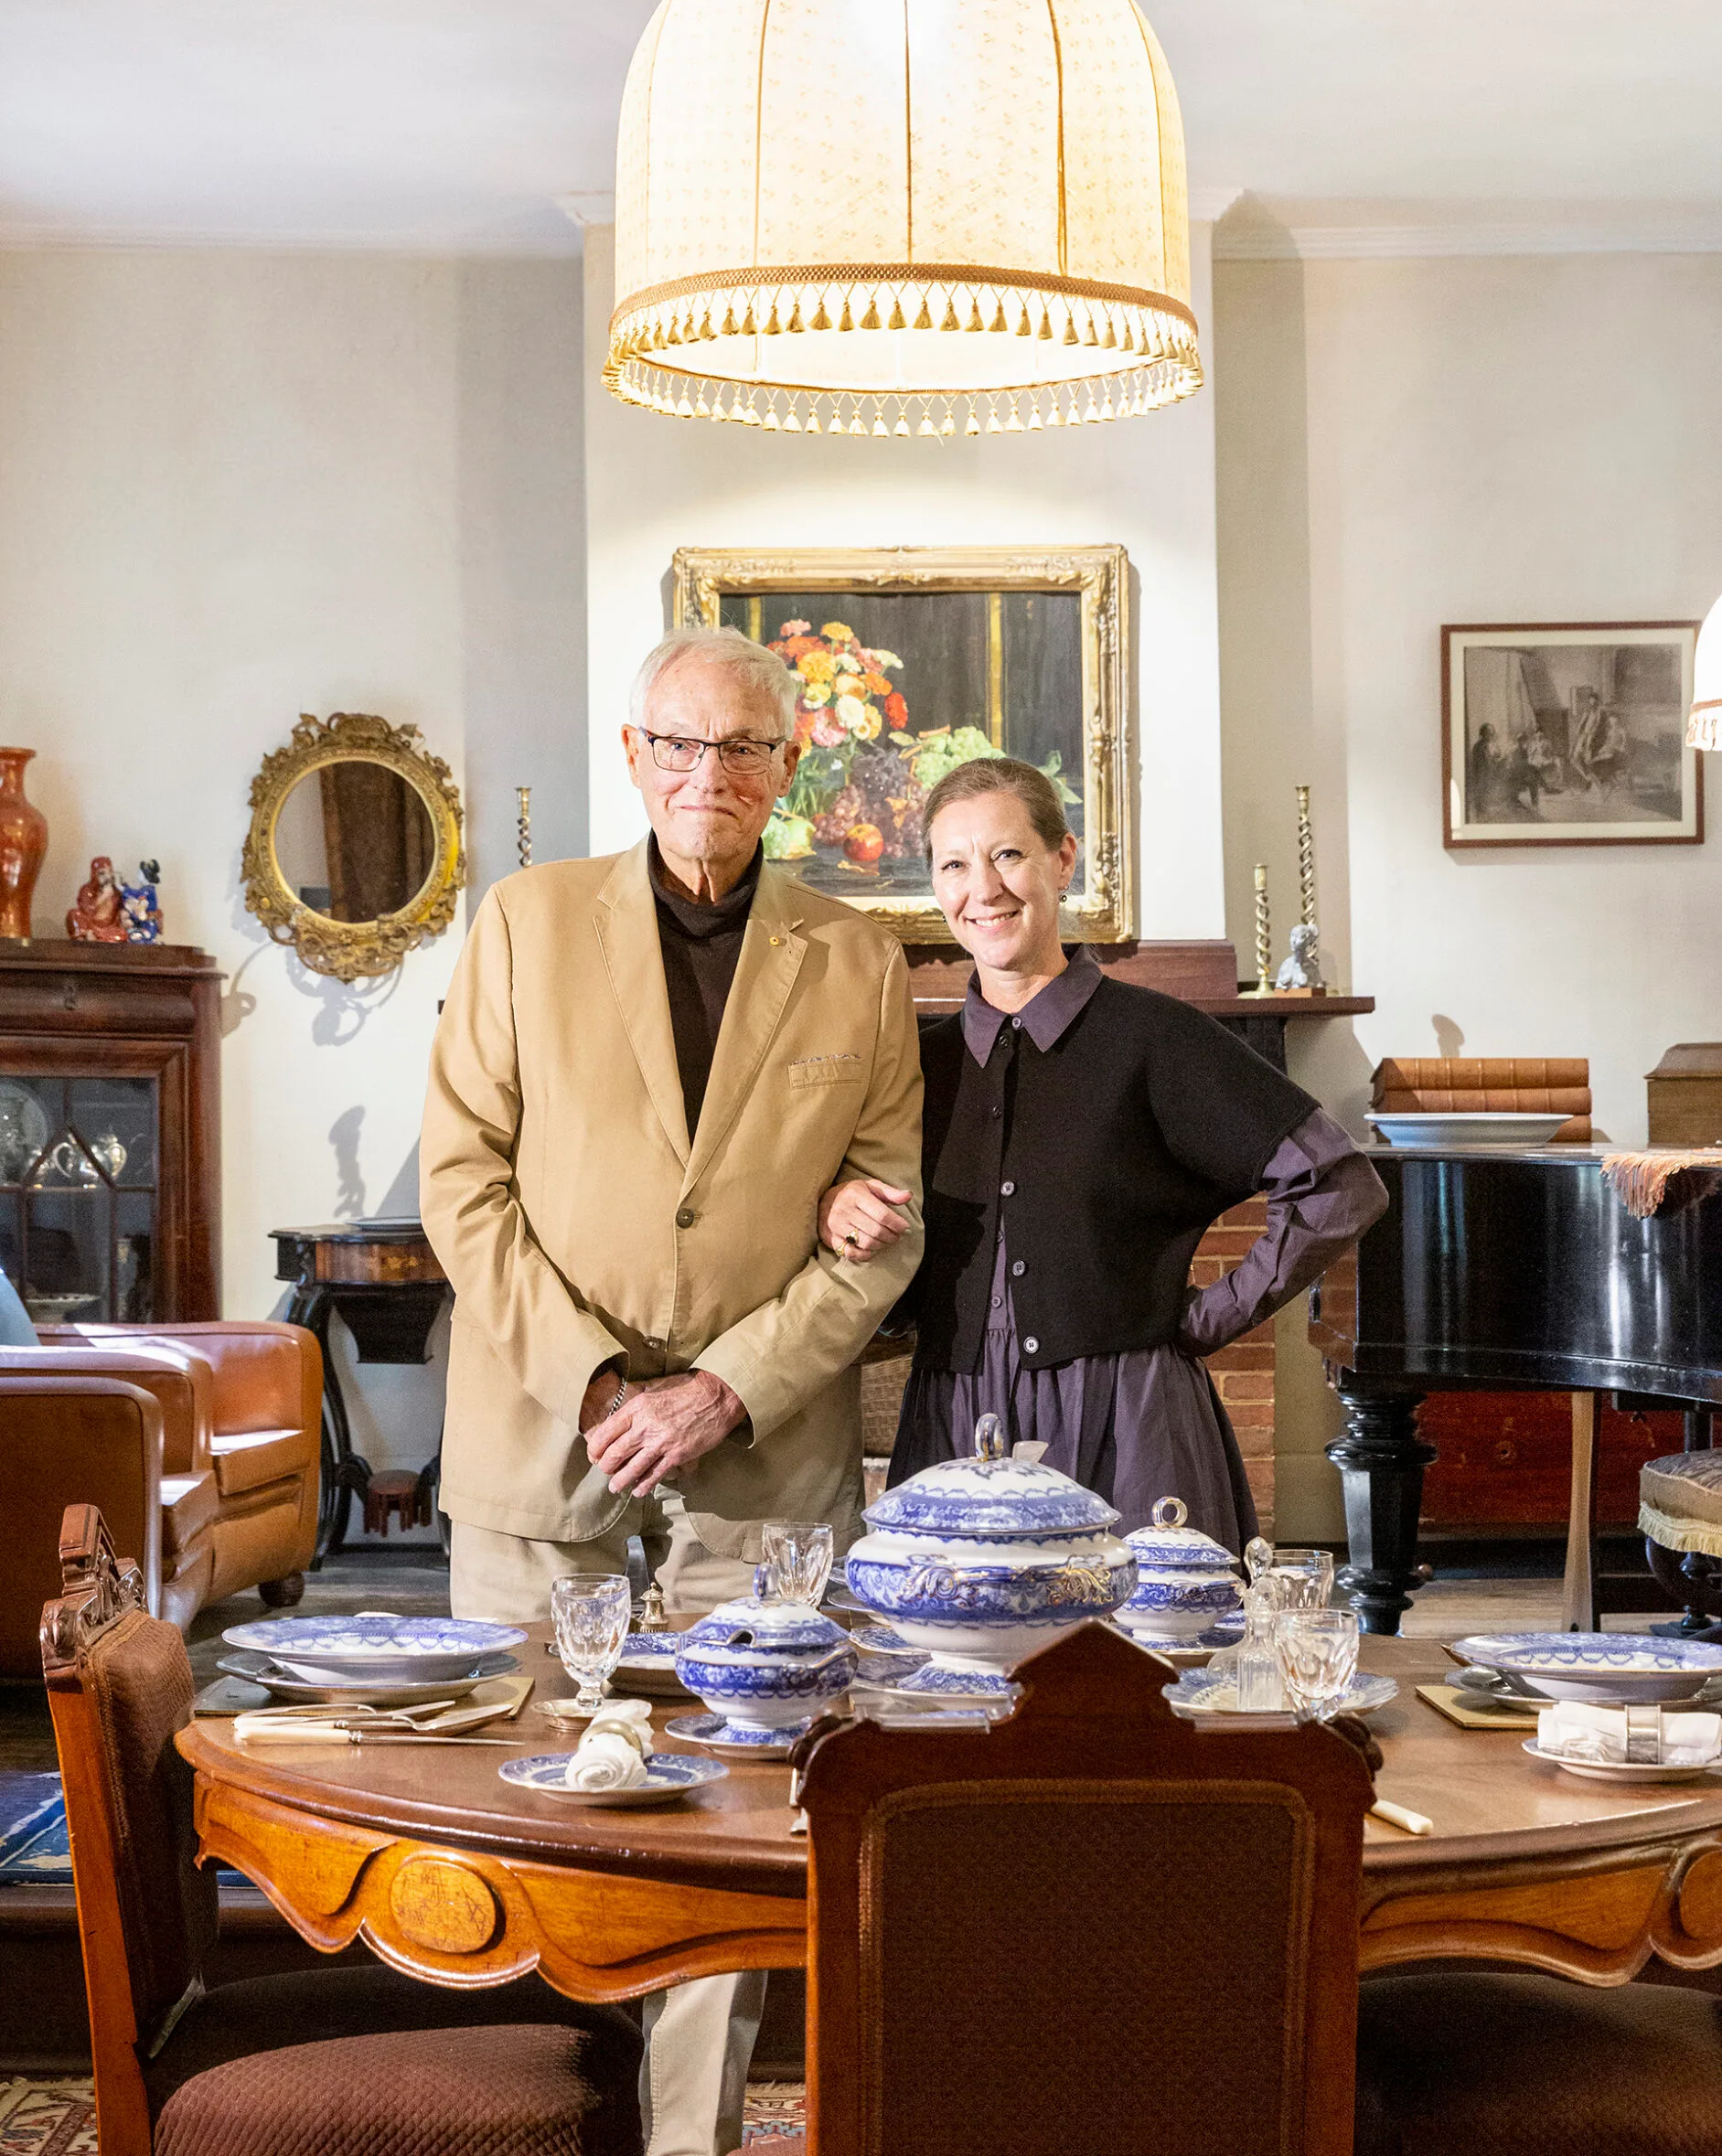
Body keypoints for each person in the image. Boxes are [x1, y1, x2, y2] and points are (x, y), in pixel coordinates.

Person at [420, 624, 924, 2156]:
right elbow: (460, 1186)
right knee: (520, 1805)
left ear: (788, 769)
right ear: (634, 755)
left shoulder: (856, 957)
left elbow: (884, 1220)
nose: (710, 775)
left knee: (737, 1809)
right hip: (535, 1440)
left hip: (760, 1459)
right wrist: (587, 1384)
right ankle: (530, 2121)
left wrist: (720, 1389)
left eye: (745, 748)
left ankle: (689, 2140)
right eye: (680, 745)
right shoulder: (522, 923)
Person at [818, 755, 1386, 1551]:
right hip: (951, 1424)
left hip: (1129, 1421)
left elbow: (1338, 1185)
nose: (982, 889)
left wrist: (1204, 1317)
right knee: (948, 1662)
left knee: (1144, 1660)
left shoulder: (1154, 1037)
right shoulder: (915, 1062)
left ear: (1062, 860)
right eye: (954, 864)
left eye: (1007, 855)